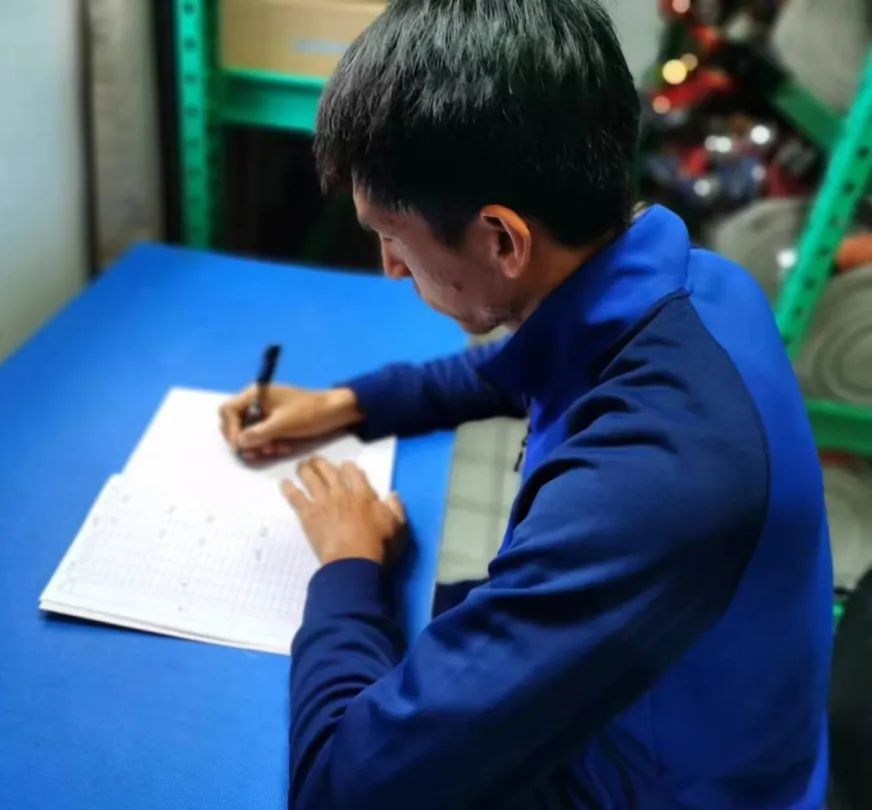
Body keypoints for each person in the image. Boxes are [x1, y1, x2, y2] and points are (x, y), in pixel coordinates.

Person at [218, 1, 833, 807]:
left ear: (502, 240)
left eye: (392, 236)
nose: (391, 267)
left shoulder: (650, 482)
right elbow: (523, 367)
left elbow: (343, 789)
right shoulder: (701, 286)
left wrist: (347, 566)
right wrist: (348, 404)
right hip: (684, 696)